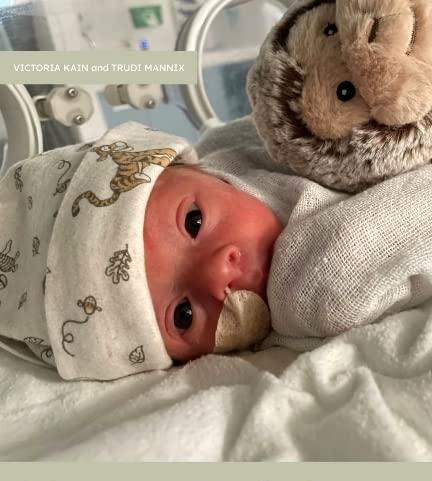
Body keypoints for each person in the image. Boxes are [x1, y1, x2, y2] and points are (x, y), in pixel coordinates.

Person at [2, 117, 432, 380]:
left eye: (193, 223)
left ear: (198, 169)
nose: (216, 277)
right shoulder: (314, 290)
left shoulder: (233, 149)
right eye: (183, 316)